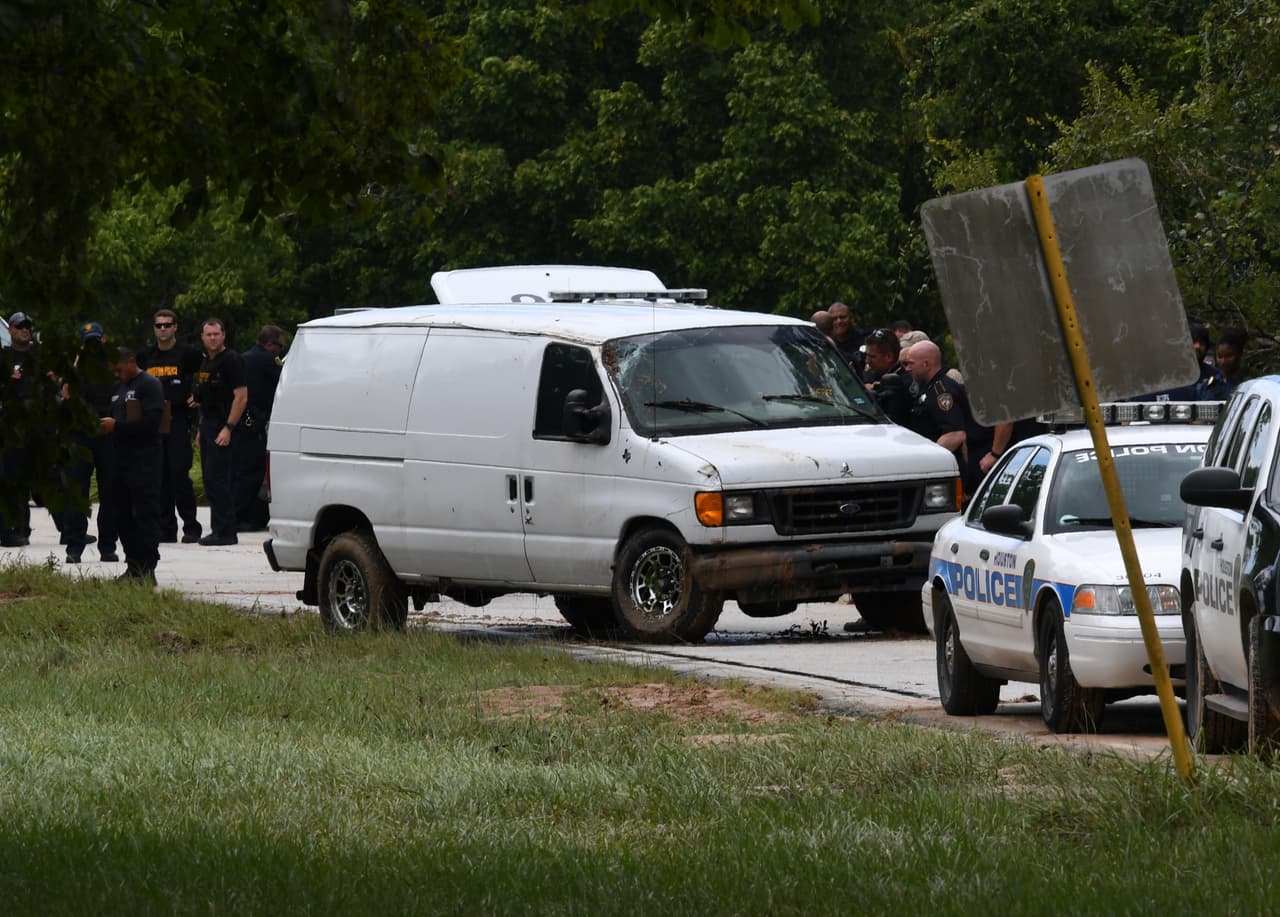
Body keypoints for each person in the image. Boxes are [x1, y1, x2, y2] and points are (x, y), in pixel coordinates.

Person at [138, 309, 203, 544]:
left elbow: (204, 375)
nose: (163, 329)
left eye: (167, 325)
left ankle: (191, 526)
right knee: (159, 477)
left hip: (178, 419)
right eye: (159, 325)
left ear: (176, 327)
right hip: (153, 421)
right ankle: (166, 528)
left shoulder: (189, 353)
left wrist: (198, 394)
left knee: (179, 475)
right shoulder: (146, 355)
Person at [101, 346, 164, 583]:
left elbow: (152, 423)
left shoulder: (149, 385)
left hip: (144, 461)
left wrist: (117, 427)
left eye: (118, 369)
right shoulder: (119, 388)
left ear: (130, 361)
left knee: (145, 515)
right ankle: (133, 565)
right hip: (120, 461)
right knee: (121, 514)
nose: (116, 374)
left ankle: (148, 568)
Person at [60, 322, 120, 564]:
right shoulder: (75, 369)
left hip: (107, 436)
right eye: (88, 343)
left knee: (111, 495)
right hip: (80, 436)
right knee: (78, 493)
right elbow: (65, 395)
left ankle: (108, 546)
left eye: (96, 341)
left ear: (104, 340)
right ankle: (74, 546)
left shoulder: (113, 367)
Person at [192, 318, 247, 546]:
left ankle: (226, 532)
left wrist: (228, 427)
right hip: (208, 423)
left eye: (216, 334)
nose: (212, 338)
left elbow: (241, 396)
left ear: (223, 335)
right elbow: (206, 398)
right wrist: (201, 428)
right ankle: (218, 529)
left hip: (223, 424)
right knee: (210, 479)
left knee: (219, 479)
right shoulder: (207, 362)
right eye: (208, 334)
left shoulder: (231, 360)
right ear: (203, 337)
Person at [233, 324, 286, 531]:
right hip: (254, 421)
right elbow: (283, 381)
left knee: (240, 469)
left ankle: (238, 514)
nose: (280, 351)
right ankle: (239, 516)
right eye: (280, 347)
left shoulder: (244, 357)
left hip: (242, 419)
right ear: (270, 344)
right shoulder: (267, 360)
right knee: (253, 470)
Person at [903, 340, 972, 486]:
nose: (907, 369)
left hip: (944, 471)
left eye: (910, 363)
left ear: (926, 364)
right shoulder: (928, 388)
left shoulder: (942, 391)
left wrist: (927, 462)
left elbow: (955, 434)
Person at [1, 311, 41, 546]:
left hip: (36, 426)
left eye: (28, 326)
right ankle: (8, 531)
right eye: (20, 326)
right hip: (10, 426)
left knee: (28, 479)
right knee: (10, 479)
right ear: (11, 330)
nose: (24, 329)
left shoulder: (39, 357)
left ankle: (23, 528)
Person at [862, 329, 912, 426]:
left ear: (888, 357)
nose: (867, 361)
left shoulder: (905, 382)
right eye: (867, 356)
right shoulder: (876, 374)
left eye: (872, 357)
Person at [1197, 328, 1249, 402]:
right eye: (1220, 357)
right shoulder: (1207, 385)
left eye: (1229, 356)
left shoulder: (1246, 386)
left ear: (1239, 355)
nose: (1223, 361)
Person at [827, 302, 868, 378]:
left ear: (851, 318)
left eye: (842, 317)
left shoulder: (866, 340)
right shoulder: (826, 345)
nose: (839, 321)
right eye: (834, 319)